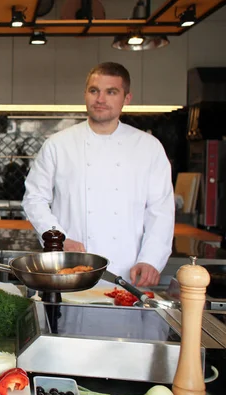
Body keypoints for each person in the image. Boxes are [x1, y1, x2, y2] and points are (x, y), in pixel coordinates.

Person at [22, 62, 174, 287]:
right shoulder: (58, 144)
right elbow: (34, 199)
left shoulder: (149, 147)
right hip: (69, 271)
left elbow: (160, 211)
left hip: (128, 272)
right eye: (94, 91)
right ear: (85, 94)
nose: (100, 99)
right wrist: (59, 239)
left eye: (111, 92)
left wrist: (151, 260)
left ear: (127, 98)